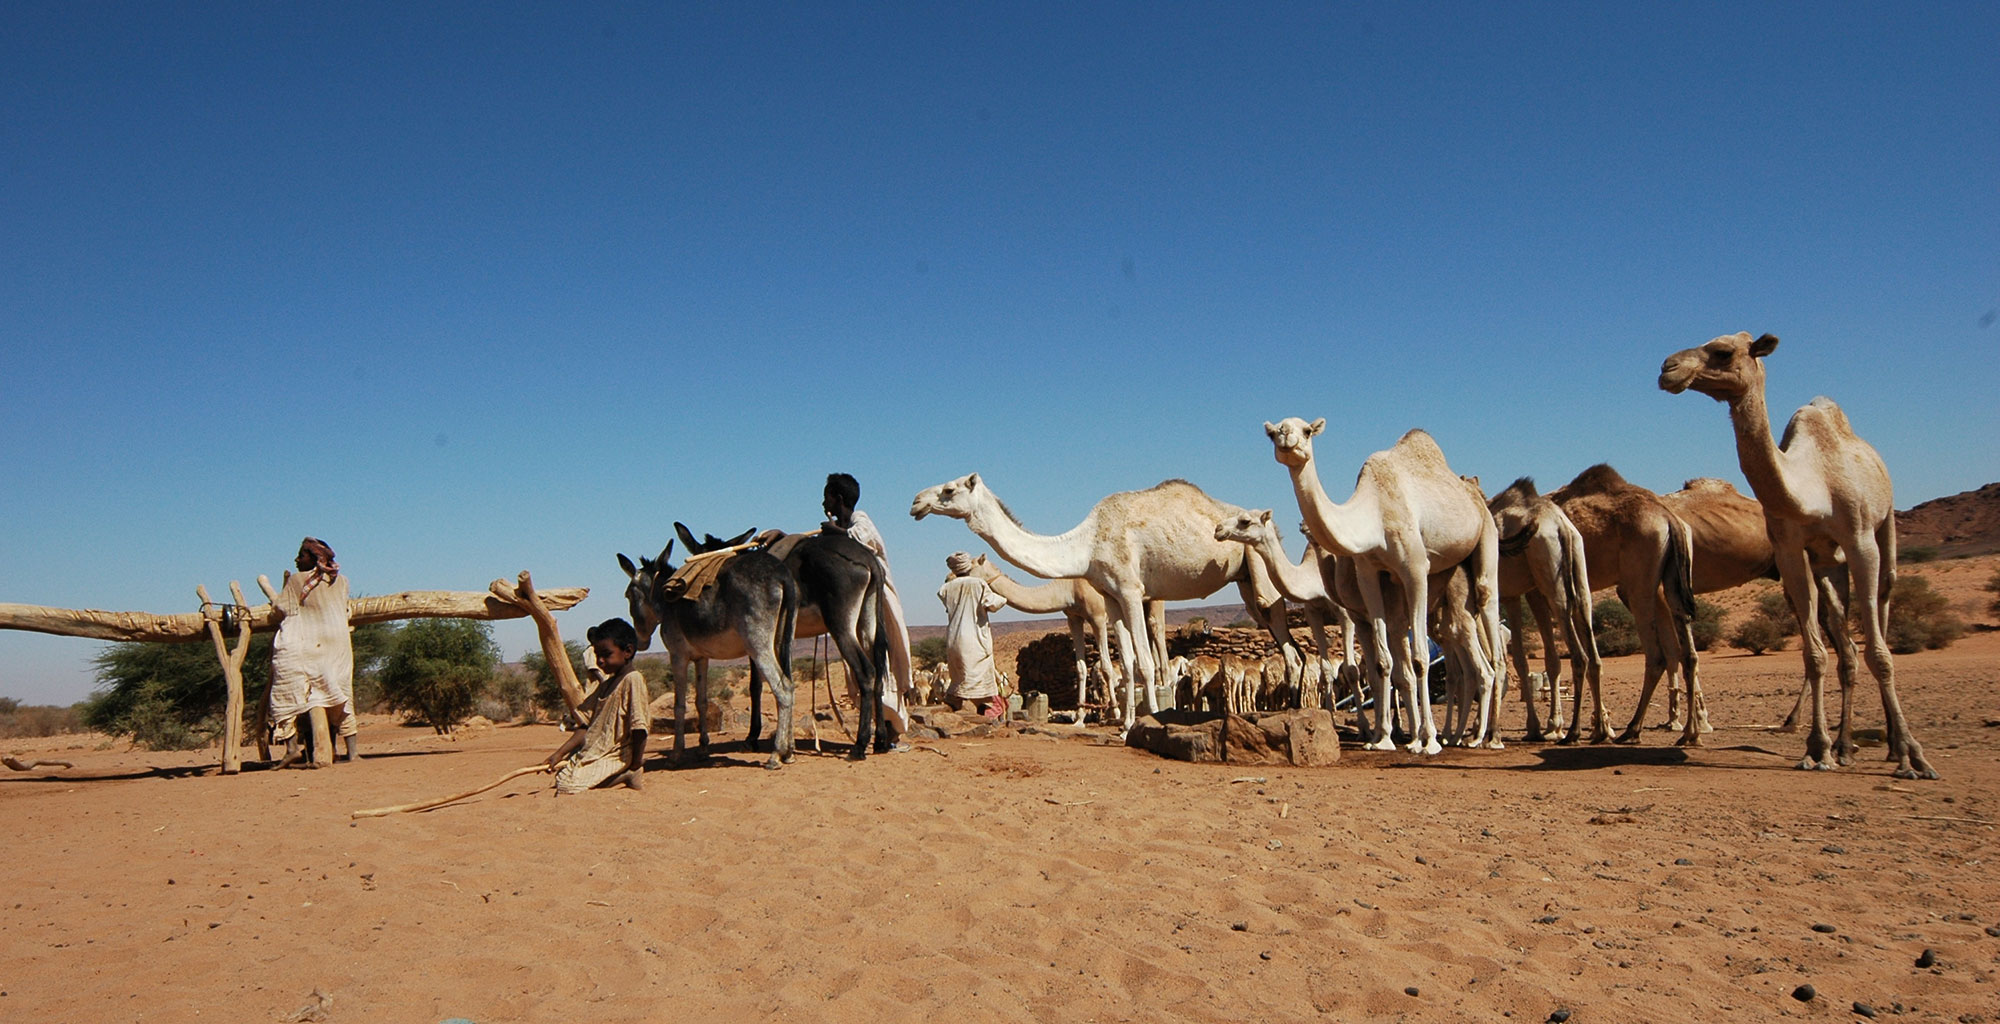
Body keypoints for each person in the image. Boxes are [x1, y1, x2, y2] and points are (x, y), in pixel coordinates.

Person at [822, 472, 917, 742]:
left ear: (838, 498)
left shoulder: (861, 520)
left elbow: (861, 540)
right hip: (856, 605)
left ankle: (890, 730)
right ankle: (879, 725)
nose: (823, 502)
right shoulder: (842, 525)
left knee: (881, 657)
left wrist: (835, 532)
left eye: (826, 496)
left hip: (878, 599)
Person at [267, 537, 357, 764]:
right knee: (339, 694)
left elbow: (283, 608)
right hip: (338, 646)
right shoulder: (342, 581)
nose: (297, 560)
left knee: (287, 690)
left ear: (315, 559)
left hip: (309, 643)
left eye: (301, 555)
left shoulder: (298, 580)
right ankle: (351, 752)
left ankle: (291, 748)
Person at [545, 618, 650, 793]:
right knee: (562, 777)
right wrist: (559, 754)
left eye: (606, 654)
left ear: (628, 651)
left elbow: (639, 728)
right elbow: (586, 725)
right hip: (595, 752)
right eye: (597, 655)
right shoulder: (606, 685)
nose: (599, 661)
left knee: (569, 786)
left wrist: (635, 763)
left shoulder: (633, 680)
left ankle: (627, 775)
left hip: (618, 754)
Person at [937, 552, 1009, 714]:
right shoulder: (979, 584)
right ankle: (980, 714)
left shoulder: (946, 588)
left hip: (954, 638)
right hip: (974, 639)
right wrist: (1004, 597)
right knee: (977, 679)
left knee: (959, 676)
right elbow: (993, 604)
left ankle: (957, 706)